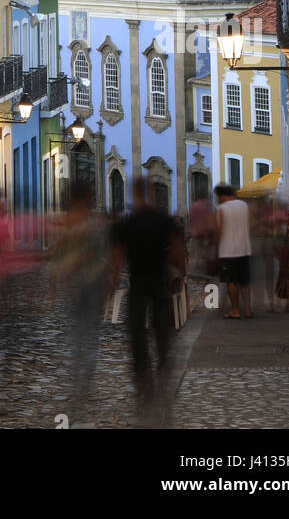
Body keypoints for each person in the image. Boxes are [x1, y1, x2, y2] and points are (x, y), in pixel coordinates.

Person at [112, 177, 186, 415]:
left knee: (136, 330)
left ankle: (143, 373)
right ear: (151, 195)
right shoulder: (163, 220)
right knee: (161, 326)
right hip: (158, 281)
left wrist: (113, 281)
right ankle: (163, 364)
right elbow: (177, 247)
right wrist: (180, 271)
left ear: (135, 195)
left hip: (138, 283)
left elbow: (117, 254)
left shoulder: (128, 224)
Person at [49, 184, 110, 416]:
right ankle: (84, 378)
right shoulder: (95, 225)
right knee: (89, 333)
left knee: (78, 333)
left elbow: (56, 254)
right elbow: (104, 255)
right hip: (91, 285)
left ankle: (79, 379)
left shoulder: (67, 224)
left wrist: (54, 283)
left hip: (76, 285)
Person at [215, 183, 253, 319]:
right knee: (244, 281)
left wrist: (215, 245)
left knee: (231, 281)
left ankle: (235, 310)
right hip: (244, 248)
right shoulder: (244, 205)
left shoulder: (221, 208)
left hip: (227, 250)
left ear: (221, 196)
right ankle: (248, 310)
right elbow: (249, 225)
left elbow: (219, 229)